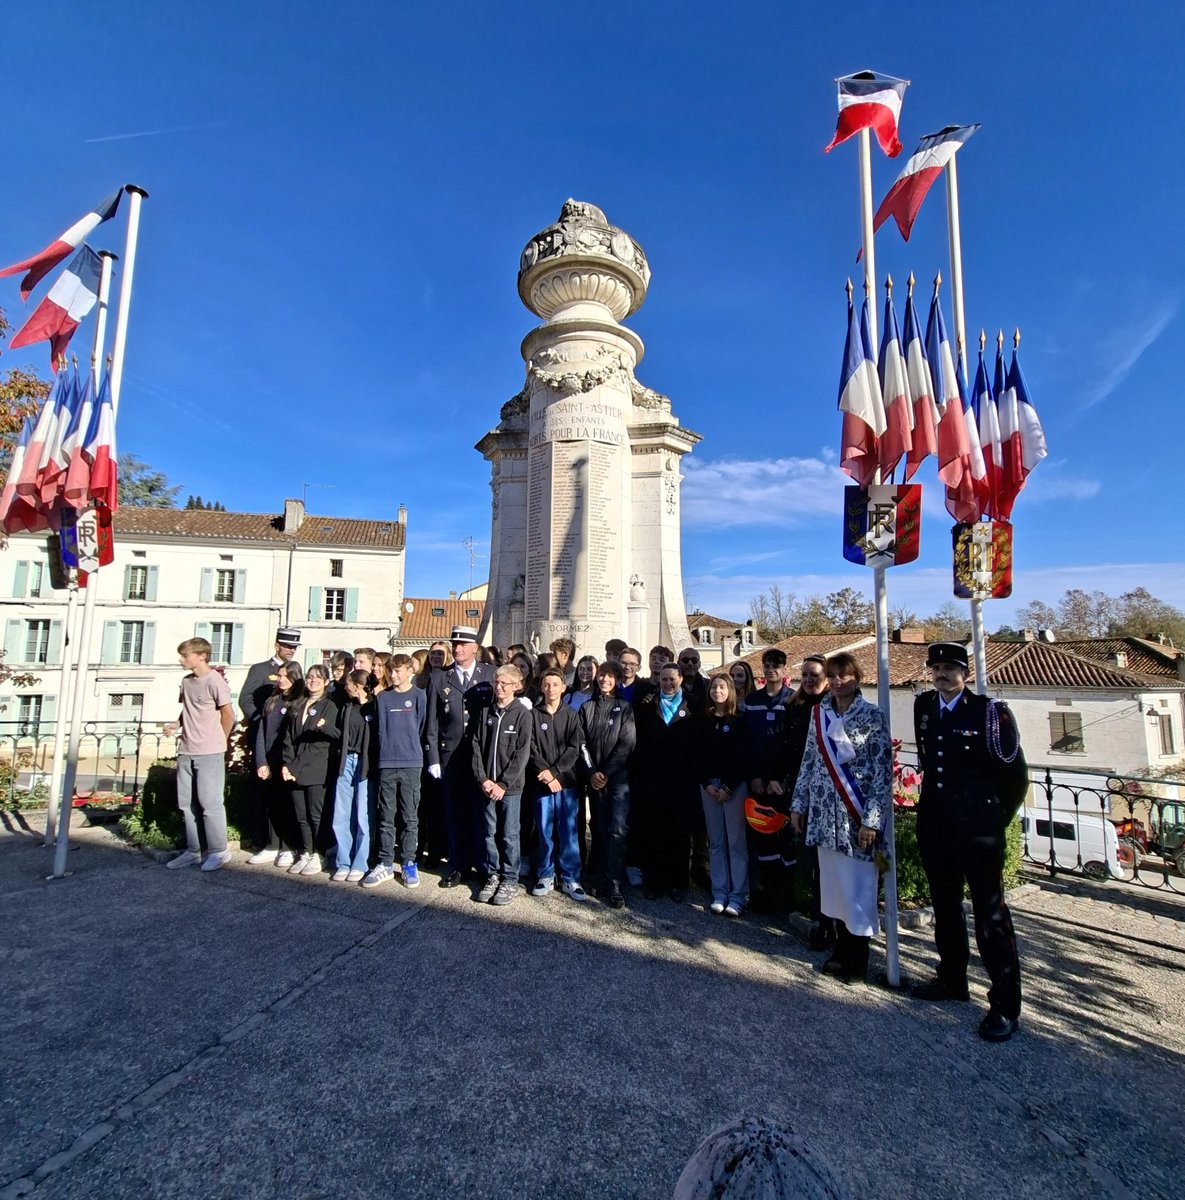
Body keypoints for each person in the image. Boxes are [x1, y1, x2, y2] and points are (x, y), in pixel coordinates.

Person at [911, 641, 1029, 1043]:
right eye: (936, 667)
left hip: (978, 830)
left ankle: (1005, 1004)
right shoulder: (924, 706)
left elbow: (1015, 778)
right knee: (945, 907)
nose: (941, 674)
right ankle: (951, 977)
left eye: (949, 667)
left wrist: (995, 819)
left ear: (966, 672)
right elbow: (931, 764)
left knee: (991, 916)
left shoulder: (990, 713)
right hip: (937, 825)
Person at [790, 653, 891, 985]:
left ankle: (858, 959)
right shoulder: (820, 713)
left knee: (858, 889)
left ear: (857, 678)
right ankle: (841, 950)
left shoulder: (873, 716)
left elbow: (881, 773)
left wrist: (872, 821)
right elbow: (808, 760)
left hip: (856, 819)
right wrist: (799, 804)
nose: (837, 682)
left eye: (844, 676)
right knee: (833, 888)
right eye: (832, 676)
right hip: (823, 816)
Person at [425, 625, 495, 888]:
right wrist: (433, 757)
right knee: (455, 813)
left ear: (474, 648)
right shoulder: (439, 678)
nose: (457, 649)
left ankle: (484, 865)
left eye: (463, 644)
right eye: (455, 644)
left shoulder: (489, 674)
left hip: (480, 757)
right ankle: (458, 865)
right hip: (450, 755)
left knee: (482, 813)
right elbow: (432, 722)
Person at [164, 638, 236, 872]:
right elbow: (187, 711)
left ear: (202, 656)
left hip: (209, 751)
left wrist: (220, 741)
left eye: (186, 655)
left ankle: (218, 851)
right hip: (186, 750)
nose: (182, 659)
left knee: (210, 803)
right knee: (186, 804)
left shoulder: (214, 680)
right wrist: (175, 725)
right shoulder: (187, 682)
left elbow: (228, 715)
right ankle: (193, 851)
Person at [470, 664, 534, 906]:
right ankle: (493, 874)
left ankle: (509, 877)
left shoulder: (522, 714)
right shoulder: (486, 711)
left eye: (504, 683)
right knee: (489, 832)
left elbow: (522, 753)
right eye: (497, 683)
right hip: (487, 784)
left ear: (516, 687)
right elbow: (476, 746)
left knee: (509, 834)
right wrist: (483, 778)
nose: (499, 687)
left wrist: (504, 783)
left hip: (510, 788)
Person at [633, 662, 697, 902]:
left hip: (681, 780)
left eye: (672, 679)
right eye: (664, 680)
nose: (668, 683)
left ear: (680, 679)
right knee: (654, 831)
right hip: (653, 778)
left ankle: (679, 883)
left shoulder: (692, 705)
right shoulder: (648, 705)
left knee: (680, 833)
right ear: (658, 681)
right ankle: (655, 882)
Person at [365, 654, 428, 889]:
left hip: (411, 762)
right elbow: (379, 729)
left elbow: (421, 727)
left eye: (398, 671)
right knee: (386, 816)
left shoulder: (419, 696)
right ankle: (385, 862)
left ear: (409, 671)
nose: (393, 675)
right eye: (390, 671)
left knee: (410, 815)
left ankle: (410, 862)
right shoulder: (382, 698)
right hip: (386, 763)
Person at [237, 625, 301, 853]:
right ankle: (261, 838)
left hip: (286, 739)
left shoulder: (294, 670)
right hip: (264, 736)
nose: (292, 649)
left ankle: (285, 842)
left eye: (294, 646)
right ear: (277, 646)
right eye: (288, 645)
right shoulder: (261, 669)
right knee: (263, 791)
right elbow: (246, 699)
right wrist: (260, 720)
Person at [741, 648, 796, 913]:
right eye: (767, 665)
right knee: (761, 837)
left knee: (783, 838)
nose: (771, 669)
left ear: (785, 669)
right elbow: (748, 743)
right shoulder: (752, 700)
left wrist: (782, 780)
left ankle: (784, 896)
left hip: (781, 785)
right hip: (758, 783)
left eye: (776, 665)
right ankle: (763, 893)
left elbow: (794, 746)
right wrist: (754, 775)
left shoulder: (794, 701)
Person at [782, 655, 831, 947]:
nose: (809, 680)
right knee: (809, 859)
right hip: (800, 790)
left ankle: (832, 921)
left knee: (829, 864)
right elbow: (789, 748)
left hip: (829, 794)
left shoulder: (833, 706)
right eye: (805, 675)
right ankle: (820, 919)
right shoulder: (796, 707)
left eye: (814, 674)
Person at [580, 661, 635, 908]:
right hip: (595, 779)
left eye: (610, 676)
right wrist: (592, 771)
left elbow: (627, 743)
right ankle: (599, 876)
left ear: (616, 680)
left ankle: (614, 880)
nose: (605, 680)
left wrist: (605, 772)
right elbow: (581, 743)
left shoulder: (624, 707)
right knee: (599, 827)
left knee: (618, 829)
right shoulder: (587, 707)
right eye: (602, 675)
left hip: (618, 780)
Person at [529, 667, 587, 900]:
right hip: (541, 784)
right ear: (541, 686)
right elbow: (530, 748)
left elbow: (575, 749)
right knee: (544, 830)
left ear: (563, 688)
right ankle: (545, 874)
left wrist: (555, 774)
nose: (551, 688)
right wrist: (544, 773)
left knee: (568, 831)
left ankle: (571, 877)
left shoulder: (572, 715)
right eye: (547, 684)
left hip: (567, 783)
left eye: (556, 684)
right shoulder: (533, 715)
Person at [281, 664, 340, 876]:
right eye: (309, 676)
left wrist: (323, 726)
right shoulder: (298, 705)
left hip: (317, 767)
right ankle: (306, 850)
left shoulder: (330, 707)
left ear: (326, 682)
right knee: (301, 814)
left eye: (318, 677)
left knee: (317, 815)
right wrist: (287, 764)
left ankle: (320, 852)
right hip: (295, 766)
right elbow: (287, 736)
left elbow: (329, 739)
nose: (312, 680)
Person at [699, 674, 749, 917]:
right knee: (716, 842)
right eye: (713, 687)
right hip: (709, 786)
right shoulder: (704, 719)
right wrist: (707, 784)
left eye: (721, 687)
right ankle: (719, 892)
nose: (717, 691)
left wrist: (729, 787)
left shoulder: (740, 720)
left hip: (734, 788)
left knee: (736, 842)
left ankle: (738, 895)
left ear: (729, 690)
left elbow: (743, 757)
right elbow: (698, 757)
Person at [250, 661, 305, 869]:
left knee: (288, 805)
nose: (281, 680)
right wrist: (261, 761)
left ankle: (288, 847)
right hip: (270, 760)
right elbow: (262, 734)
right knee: (271, 804)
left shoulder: (300, 702)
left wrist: (290, 763)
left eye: (285, 676)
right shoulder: (272, 701)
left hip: (288, 761)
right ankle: (272, 845)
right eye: (279, 676)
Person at [330, 669, 374, 882]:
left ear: (358, 685)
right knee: (341, 813)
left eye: (348, 684)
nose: (345, 687)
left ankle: (360, 862)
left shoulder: (373, 706)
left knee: (362, 815)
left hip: (365, 763)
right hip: (346, 761)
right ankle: (343, 861)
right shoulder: (347, 708)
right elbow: (340, 734)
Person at [675, 648, 709, 716]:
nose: (690, 663)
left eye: (694, 660)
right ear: (678, 663)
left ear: (699, 664)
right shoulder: (670, 686)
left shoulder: (709, 686)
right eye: (685, 660)